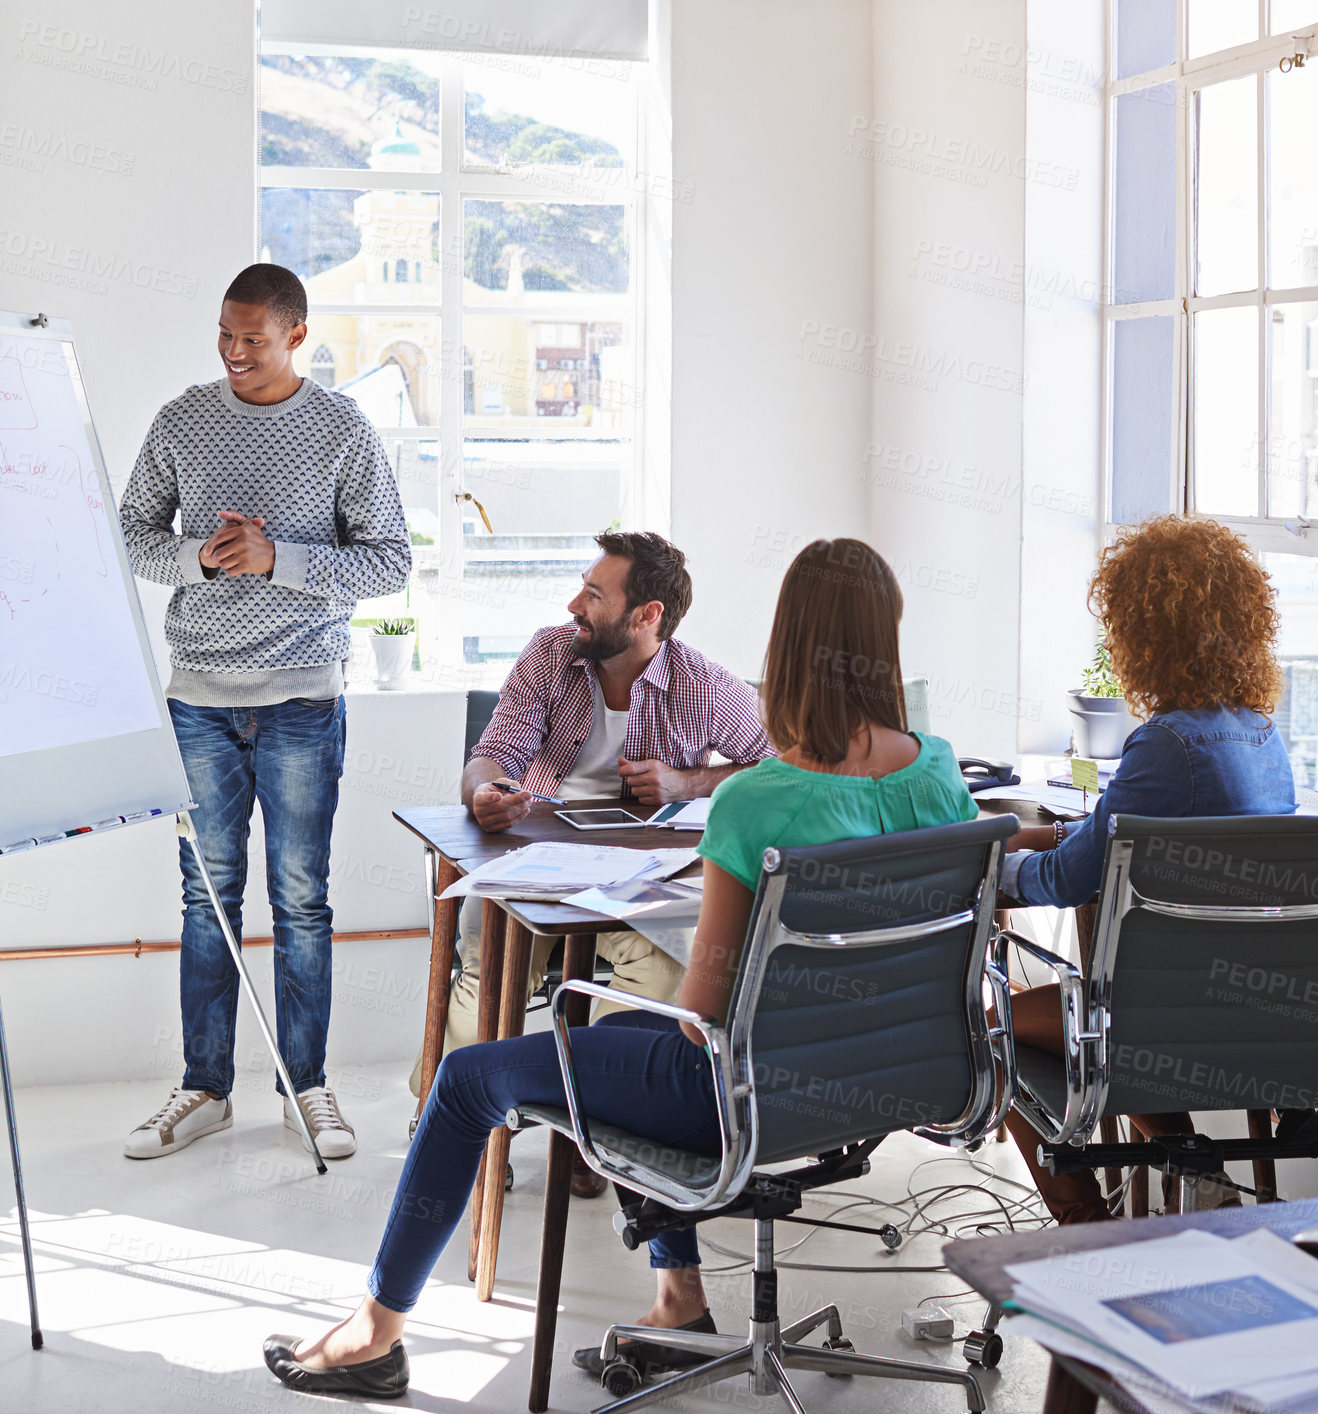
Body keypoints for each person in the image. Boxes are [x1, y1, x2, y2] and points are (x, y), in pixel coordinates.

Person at [262, 537, 978, 1399]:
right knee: (637, 1030)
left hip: (744, 1091)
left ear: (786, 648)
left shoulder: (755, 802)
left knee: (465, 1081)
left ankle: (374, 1336)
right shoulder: (939, 774)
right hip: (888, 1081)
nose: (577, 604)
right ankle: (677, 1299)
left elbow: (701, 1013)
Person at [119, 263, 411, 1163]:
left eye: (253, 337)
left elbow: (390, 563)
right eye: (224, 333)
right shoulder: (182, 420)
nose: (234, 352)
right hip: (200, 700)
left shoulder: (341, 430)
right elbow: (130, 536)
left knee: (301, 901)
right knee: (206, 903)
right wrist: (202, 563)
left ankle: (304, 1086)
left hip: (301, 701)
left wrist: (277, 556)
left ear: (297, 334)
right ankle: (204, 1088)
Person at [412, 532, 773, 1191]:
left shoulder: (703, 685)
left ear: (647, 615)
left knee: (667, 977)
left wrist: (687, 784)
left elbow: (778, 764)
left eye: (595, 594)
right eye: (582, 585)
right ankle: (454, 1113)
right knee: (487, 963)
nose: (574, 603)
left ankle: (598, 1122)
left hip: (633, 886)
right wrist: (483, 792)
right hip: (533, 871)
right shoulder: (549, 654)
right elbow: (493, 753)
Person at [999, 515, 1295, 1224]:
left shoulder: (1164, 743)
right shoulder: (1261, 736)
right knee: (1113, 1017)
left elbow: (1072, 881)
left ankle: (1089, 1234)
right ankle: (1192, 1160)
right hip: (1255, 1013)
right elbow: (1137, 834)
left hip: (1163, 1023)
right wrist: (1061, 835)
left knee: (989, 1030)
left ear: (1145, 631)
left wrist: (1001, 871)